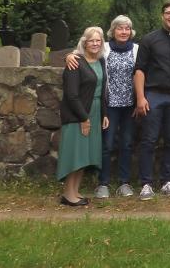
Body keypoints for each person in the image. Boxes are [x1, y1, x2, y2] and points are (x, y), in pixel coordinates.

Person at [133, 1, 170, 200]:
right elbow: (139, 70)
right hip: (153, 95)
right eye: (169, 13)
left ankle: (168, 181)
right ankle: (146, 183)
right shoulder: (149, 40)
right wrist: (140, 97)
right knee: (149, 140)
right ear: (162, 16)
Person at [83, 16, 138, 199]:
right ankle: (103, 183)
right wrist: (69, 57)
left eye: (127, 29)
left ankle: (124, 183)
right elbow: (84, 55)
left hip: (130, 105)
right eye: (120, 28)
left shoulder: (137, 49)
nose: (124, 32)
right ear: (112, 31)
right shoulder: (104, 48)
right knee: (106, 144)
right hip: (109, 106)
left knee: (127, 144)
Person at [57, 26, 109, 206]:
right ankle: (68, 195)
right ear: (84, 43)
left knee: (86, 156)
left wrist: (104, 113)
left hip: (95, 112)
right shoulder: (75, 62)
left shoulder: (101, 61)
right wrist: (83, 118)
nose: (95, 44)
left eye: (98, 40)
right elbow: (71, 95)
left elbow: (102, 90)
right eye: (91, 40)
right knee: (75, 155)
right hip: (78, 114)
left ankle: (75, 191)